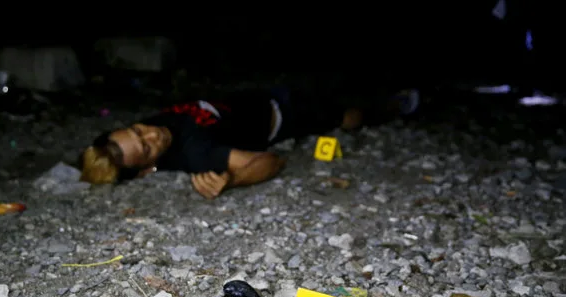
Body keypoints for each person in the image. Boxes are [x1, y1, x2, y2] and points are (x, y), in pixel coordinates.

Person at [79, 86, 419, 199]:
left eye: (138, 130)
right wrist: (232, 179)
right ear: (144, 168)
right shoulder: (198, 153)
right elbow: (272, 161)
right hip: (284, 115)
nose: (152, 134)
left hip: (258, 95)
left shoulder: (154, 128)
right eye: (148, 147)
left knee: (333, 88)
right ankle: (392, 108)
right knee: (348, 116)